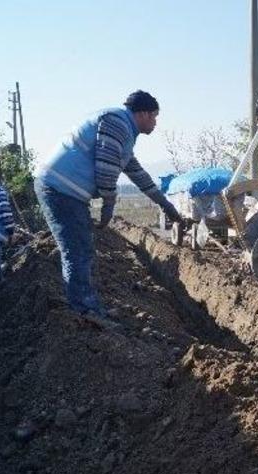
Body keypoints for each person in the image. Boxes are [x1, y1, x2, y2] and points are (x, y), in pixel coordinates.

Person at [34, 90, 183, 322]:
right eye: (154, 116)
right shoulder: (117, 123)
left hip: (65, 190)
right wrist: (109, 204)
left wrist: (166, 206)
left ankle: (87, 307)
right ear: (142, 114)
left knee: (82, 249)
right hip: (60, 189)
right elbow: (106, 169)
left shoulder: (124, 133)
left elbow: (138, 175)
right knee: (77, 251)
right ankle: (85, 311)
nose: (155, 122)